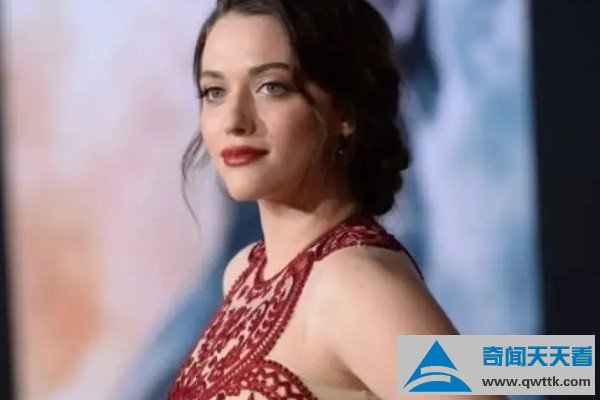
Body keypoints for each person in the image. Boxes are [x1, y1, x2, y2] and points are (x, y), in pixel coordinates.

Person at [168, 1, 505, 399]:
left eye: (272, 87)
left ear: (344, 110)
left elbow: (514, 377)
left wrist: (559, 364)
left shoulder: (349, 286)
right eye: (215, 92)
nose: (233, 120)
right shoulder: (243, 272)